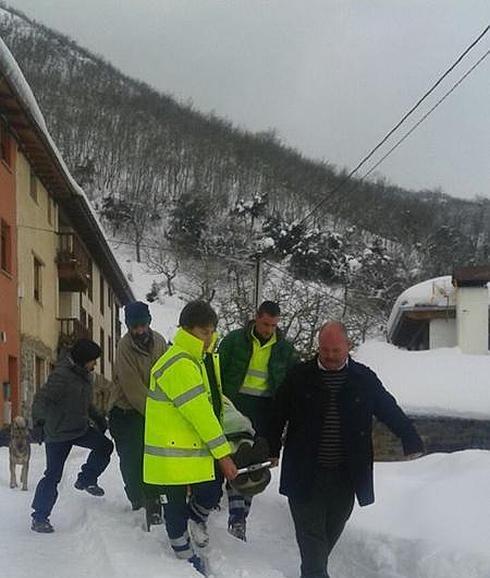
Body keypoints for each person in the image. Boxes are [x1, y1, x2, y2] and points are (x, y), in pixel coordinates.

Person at [268, 321, 424, 578]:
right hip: (305, 472)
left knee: (331, 531)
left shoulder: (364, 379)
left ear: (347, 347)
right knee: (311, 537)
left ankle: (313, 570)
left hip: (346, 475)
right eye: (324, 350)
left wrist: (410, 438)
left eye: (335, 350)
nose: (329, 356)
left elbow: (388, 409)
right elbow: (277, 414)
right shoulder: (299, 376)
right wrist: (271, 448)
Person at [143, 300, 237, 575]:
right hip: (171, 452)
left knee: (208, 491)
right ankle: (184, 556)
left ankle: (193, 523)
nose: (209, 337)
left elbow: (211, 406)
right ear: (186, 329)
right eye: (203, 332)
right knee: (174, 505)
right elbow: (200, 414)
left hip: (187, 449)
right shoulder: (179, 363)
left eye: (211, 332)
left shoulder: (195, 360)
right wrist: (223, 454)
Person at [219, 300, 296, 540]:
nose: (268, 330)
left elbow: (290, 385)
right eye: (265, 324)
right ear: (256, 318)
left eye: (273, 325)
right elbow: (217, 373)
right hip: (236, 407)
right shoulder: (234, 341)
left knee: (256, 465)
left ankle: (241, 517)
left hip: (265, 411)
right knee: (236, 460)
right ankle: (237, 516)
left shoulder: (285, 349)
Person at [31, 338, 114, 533]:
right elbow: (42, 399)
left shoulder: (85, 375)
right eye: (93, 360)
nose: (95, 364)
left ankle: (85, 479)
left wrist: (99, 418)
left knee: (105, 446)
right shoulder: (61, 376)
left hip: (79, 428)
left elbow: (86, 402)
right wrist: (39, 422)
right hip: (58, 432)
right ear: (83, 359)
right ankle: (39, 517)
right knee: (52, 475)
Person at [108, 301, 167, 518]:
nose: (139, 330)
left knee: (152, 457)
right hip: (125, 411)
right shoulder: (124, 347)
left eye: (142, 325)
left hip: (152, 408)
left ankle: (154, 498)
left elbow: (165, 375)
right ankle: (137, 499)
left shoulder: (160, 342)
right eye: (135, 327)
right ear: (128, 327)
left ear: (148, 323)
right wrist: (157, 413)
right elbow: (132, 388)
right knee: (132, 458)